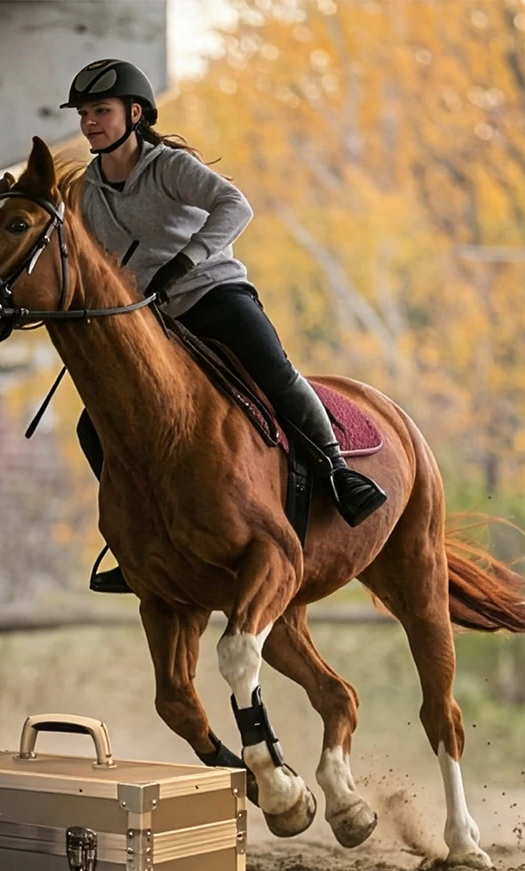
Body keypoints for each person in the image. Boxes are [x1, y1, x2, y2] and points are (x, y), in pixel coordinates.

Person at [61, 59, 388, 594]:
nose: (90, 122)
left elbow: (236, 206)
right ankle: (140, 536)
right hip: (154, 318)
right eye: (84, 113)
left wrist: (184, 262)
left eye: (101, 110)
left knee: (275, 375)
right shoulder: (87, 191)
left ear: (134, 114)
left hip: (213, 293)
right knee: (92, 426)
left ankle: (339, 474)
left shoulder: (167, 166)